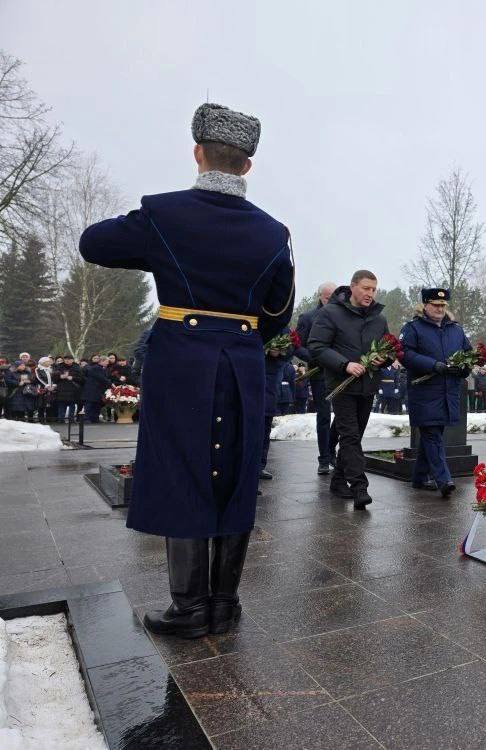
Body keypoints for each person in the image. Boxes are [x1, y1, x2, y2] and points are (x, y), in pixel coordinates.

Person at [78, 102, 294, 639]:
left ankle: (189, 607)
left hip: (180, 361)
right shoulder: (274, 233)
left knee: (183, 468)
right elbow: (278, 312)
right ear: (247, 166)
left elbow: (93, 243)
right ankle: (225, 603)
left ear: (198, 154)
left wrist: (152, 231)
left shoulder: (164, 214)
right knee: (239, 471)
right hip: (243, 360)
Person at [308, 271, 389, 509]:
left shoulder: (378, 318)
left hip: (367, 386)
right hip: (341, 386)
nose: (370, 293)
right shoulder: (331, 313)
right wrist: (344, 364)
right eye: (365, 288)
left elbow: (386, 348)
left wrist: (381, 359)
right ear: (352, 287)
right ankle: (359, 486)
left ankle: (338, 480)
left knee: (355, 435)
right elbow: (316, 346)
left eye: (373, 289)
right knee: (350, 436)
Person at [400, 288, 471, 498]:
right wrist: (434, 365)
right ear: (424, 305)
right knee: (432, 435)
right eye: (435, 305)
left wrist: (463, 368)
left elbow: (468, 353)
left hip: (448, 391)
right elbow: (405, 354)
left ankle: (419, 477)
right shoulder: (413, 328)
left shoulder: (456, 330)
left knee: (434, 434)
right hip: (424, 391)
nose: (440, 309)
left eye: (443, 305)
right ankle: (444, 479)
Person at [293, 282, 340, 476]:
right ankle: (323, 458)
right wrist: (315, 357)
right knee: (323, 415)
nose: (332, 301)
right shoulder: (308, 318)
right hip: (319, 373)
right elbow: (297, 346)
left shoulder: (342, 316)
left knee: (342, 415)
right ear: (321, 296)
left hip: (340, 371)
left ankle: (331, 450)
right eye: (329, 297)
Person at [261, 334, 292, 481]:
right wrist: (265, 349)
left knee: (266, 425)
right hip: (254, 373)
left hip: (271, 385)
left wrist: (281, 352)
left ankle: (260, 465)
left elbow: (292, 349)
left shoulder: (283, 327)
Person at [82, 355, 112, 423]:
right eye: (107, 361)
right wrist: (110, 383)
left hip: (97, 390)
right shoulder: (96, 368)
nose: (108, 363)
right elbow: (101, 378)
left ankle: (94, 418)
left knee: (96, 405)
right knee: (89, 405)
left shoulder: (101, 368)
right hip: (92, 390)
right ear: (102, 361)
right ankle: (87, 418)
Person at [54, 355, 83, 422]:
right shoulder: (59, 367)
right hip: (61, 389)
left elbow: (82, 379)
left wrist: (73, 378)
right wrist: (60, 377)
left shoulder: (77, 367)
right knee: (61, 405)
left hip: (73, 389)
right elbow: (54, 377)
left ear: (72, 360)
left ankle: (71, 419)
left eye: (69, 359)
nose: (67, 360)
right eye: (66, 359)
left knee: (72, 406)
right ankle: (60, 419)